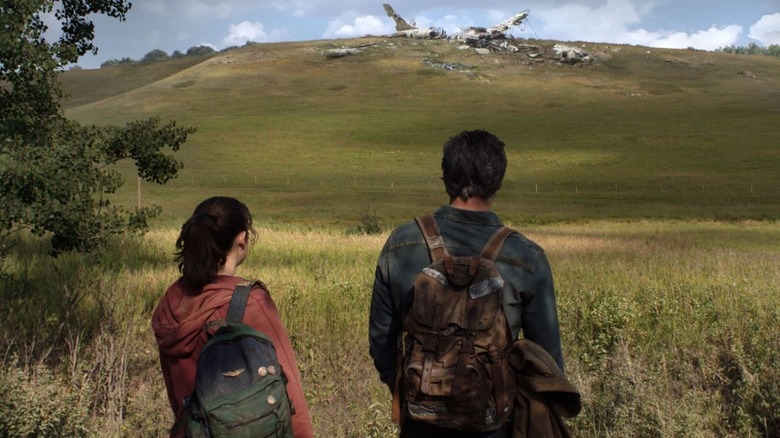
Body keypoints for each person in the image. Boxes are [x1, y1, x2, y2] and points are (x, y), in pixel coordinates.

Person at [369, 130, 564, 437]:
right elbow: (548, 365)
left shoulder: (400, 243)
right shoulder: (527, 257)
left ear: (445, 176)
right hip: (494, 426)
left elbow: (381, 341)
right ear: (496, 181)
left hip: (419, 424)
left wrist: (419, 391)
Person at [152, 196, 314, 438]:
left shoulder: (171, 302)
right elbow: (289, 389)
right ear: (242, 238)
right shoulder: (251, 303)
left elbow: (177, 398)